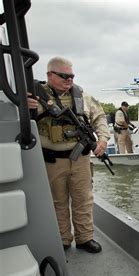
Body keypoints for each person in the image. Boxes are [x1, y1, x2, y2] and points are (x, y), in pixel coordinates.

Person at [29, 56, 109, 253]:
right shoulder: (35, 95)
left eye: (72, 76)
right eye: (64, 75)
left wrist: (103, 140)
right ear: (49, 75)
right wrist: (24, 105)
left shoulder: (81, 95)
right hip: (53, 160)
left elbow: (99, 117)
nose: (69, 79)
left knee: (83, 199)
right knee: (58, 201)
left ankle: (85, 238)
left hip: (80, 158)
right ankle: (63, 239)